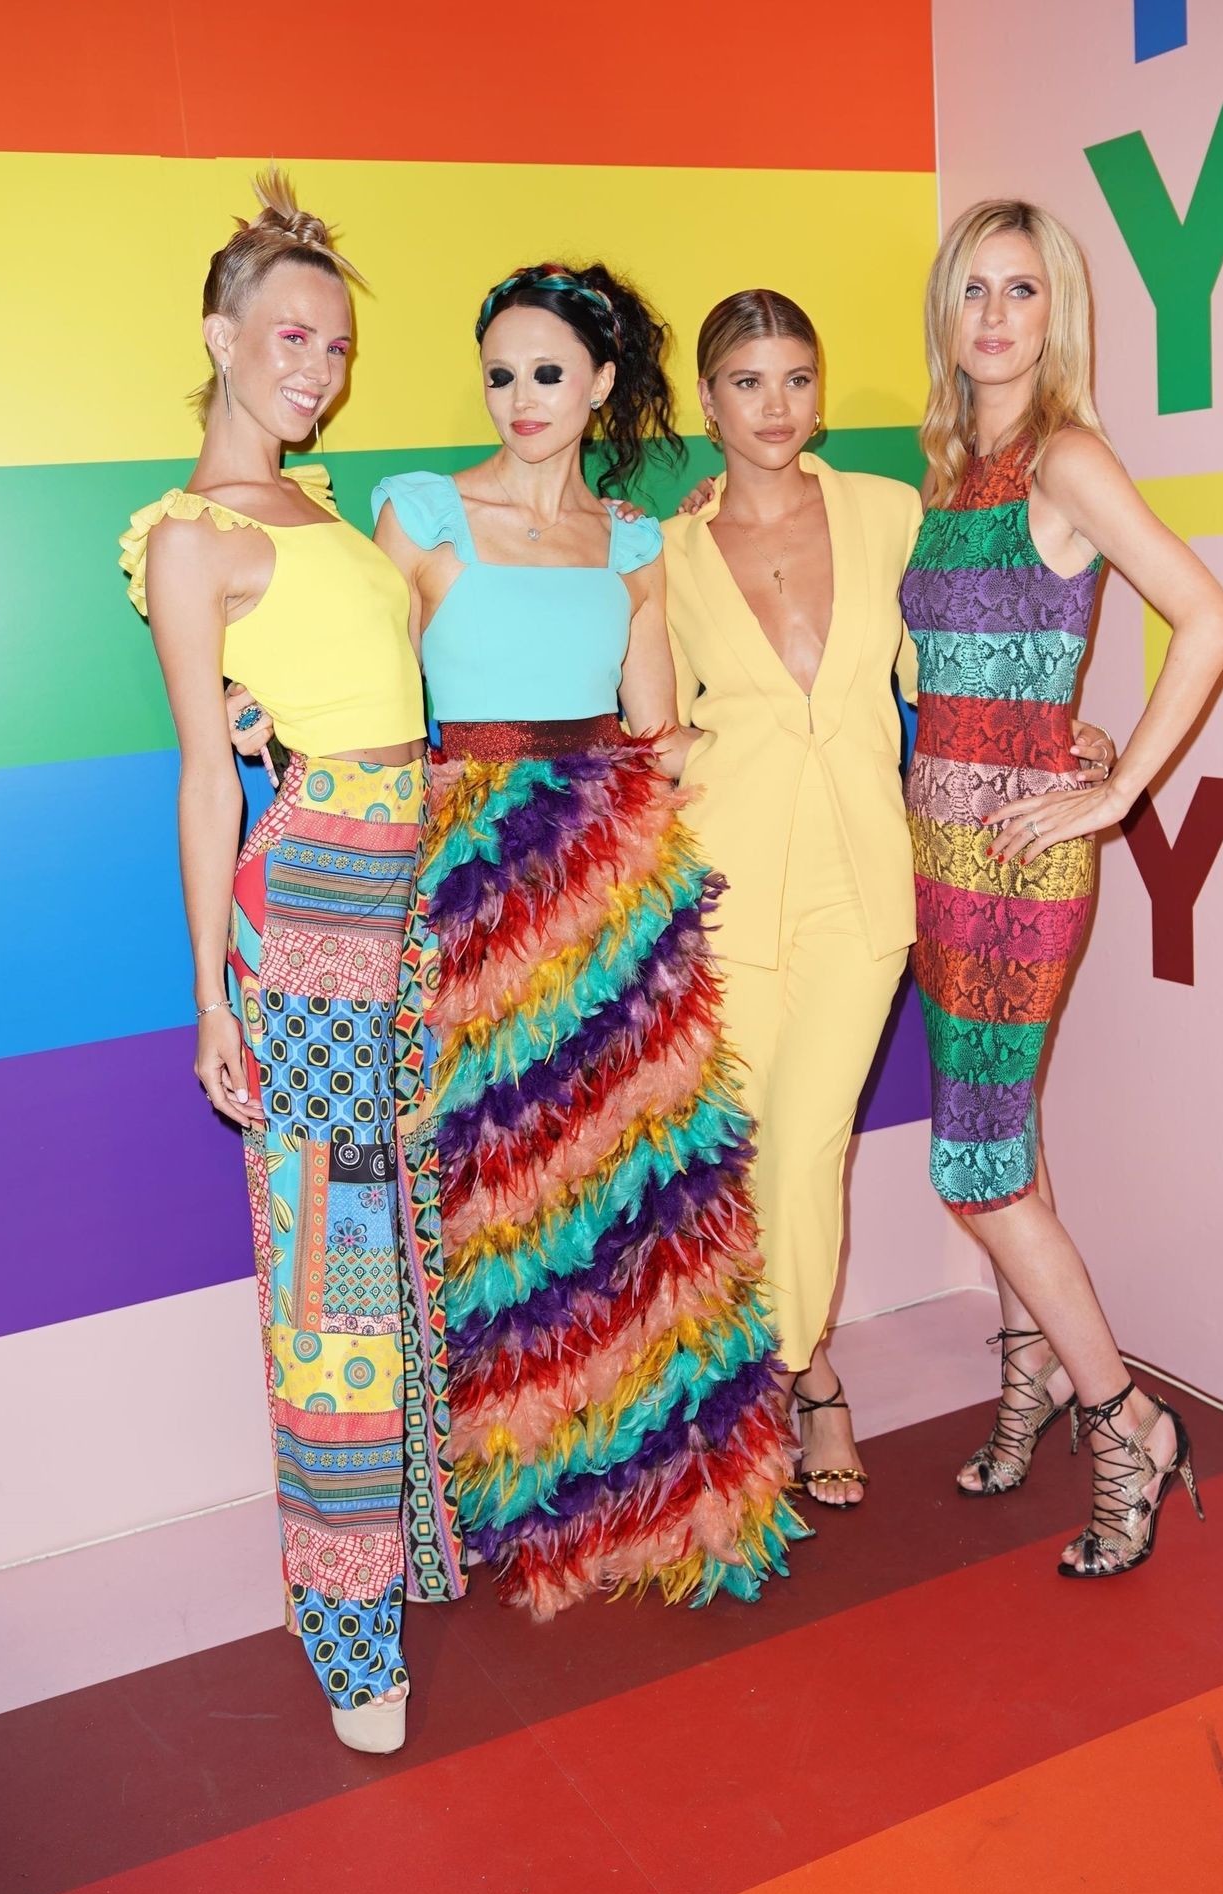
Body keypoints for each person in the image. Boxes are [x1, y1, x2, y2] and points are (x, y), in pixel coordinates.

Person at [370, 263, 806, 1619]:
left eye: (548, 373)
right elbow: (367, 693)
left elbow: (652, 728)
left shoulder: (629, 543)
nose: (520, 398)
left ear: (601, 383)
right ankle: (540, 1503)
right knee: (513, 1195)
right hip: (477, 882)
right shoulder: (421, 513)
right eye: (500, 373)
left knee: (639, 1192)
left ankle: (667, 1499)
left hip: (611, 881)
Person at [665, 292, 1114, 1507]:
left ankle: (776, 1387)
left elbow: (957, 669)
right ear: (707, 400)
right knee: (730, 1150)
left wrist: (1068, 737)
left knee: (807, 1145)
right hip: (724, 879)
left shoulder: (886, 513)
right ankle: (802, 1385)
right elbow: (648, 721)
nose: (775, 406)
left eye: (796, 379)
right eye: (746, 382)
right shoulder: (664, 553)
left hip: (868, 878)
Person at [120, 171, 464, 1753]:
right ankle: (348, 1633)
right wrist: (209, 996)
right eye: (288, 336)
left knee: (392, 1247)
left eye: (334, 343)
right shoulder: (191, 537)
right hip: (316, 914)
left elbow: (324, 689)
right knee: (336, 1278)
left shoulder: (317, 512)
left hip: (402, 898)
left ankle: (394, 1555)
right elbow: (206, 780)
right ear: (219, 337)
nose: (316, 367)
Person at [901, 199, 1223, 1576]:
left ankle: (1124, 1424)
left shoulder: (1065, 456)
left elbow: (1208, 621)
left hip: (1015, 872)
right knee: (1009, 1139)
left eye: (1020, 290)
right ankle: (1027, 1377)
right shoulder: (950, 468)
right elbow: (990, 662)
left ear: (1058, 315)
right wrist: (1070, 730)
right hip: (938, 859)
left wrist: (1114, 790)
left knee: (973, 1167)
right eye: (971, 289)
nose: (992, 315)